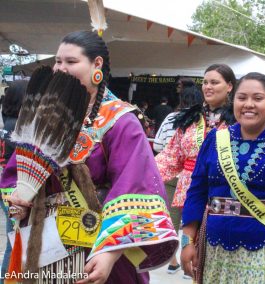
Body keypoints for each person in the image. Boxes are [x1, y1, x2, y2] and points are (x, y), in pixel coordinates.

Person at [2, 30, 178, 284]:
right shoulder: (43, 116)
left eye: (71, 62)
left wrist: (111, 253)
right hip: (46, 243)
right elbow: (14, 173)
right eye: (58, 61)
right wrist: (18, 200)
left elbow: (136, 189)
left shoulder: (120, 120)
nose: (61, 69)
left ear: (97, 64)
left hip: (99, 248)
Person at [180, 72, 265, 283]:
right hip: (215, 249)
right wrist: (187, 241)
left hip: (264, 252)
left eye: (258, 98)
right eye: (242, 98)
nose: (248, 104)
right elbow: (196, 192)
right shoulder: (214, 140)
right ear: (234, 100)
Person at [155, 63, 236, 279]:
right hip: (190, 191)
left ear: (229, 86)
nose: (208, 87)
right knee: (194, 251)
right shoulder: (190, 118)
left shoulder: (238, 120)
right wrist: (143, 171)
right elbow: (172, 156)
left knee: (218, 253)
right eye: (205, 82)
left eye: (215, 82)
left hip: (225, 192)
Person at [153, 85, 203, 274]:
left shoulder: (172, 118)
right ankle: (191, 261)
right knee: (195, 221)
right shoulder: (205, 121)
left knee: (171, 221)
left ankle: (173, 261)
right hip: (197, 178)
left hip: (172, 175)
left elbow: (157, 144)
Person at [0, 80, 27, 281]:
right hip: (11, 186)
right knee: (14, 238)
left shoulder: (6, 122)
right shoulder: (18, 126)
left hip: (5, 182)